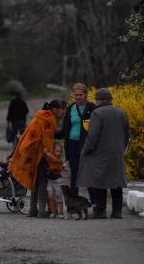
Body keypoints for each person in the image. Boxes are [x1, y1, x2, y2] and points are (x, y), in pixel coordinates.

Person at [77, 88, 130, 219]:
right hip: (117, 153)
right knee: (116, 182)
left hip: (100, 153)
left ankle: (101, 211)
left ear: (99, 100)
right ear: (110, 100)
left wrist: (86, 150)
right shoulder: (122, 113)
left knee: (99, 181)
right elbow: (127, 135)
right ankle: (117, 211)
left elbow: (93, 136)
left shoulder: (97, 113)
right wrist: (121, 149)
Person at [9, 100, 67, 218]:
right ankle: (41, 211)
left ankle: (32, 210)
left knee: (35, 181)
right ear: (54, 110)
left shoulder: (41, 117)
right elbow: (46, 143)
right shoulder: (48, 121)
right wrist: (52, 159)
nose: (64, 112)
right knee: (42, 182)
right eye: (62, 109)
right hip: (39, 155)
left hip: (31, 153)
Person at [55, 82, 96, 206]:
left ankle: (94, 204)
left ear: (86, 95)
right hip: (72, 144)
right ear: (73, 95)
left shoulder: (92, 108)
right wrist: (50, 133)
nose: (78, 97)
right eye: (76, 95)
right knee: (75, 173)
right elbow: (64, 131)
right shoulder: (70, 109)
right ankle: (74, 202)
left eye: (81, 95)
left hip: (86, 145)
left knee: (88, 173)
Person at [44, 142, 65, 219]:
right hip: (50, 180)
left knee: (58, 197)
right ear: (53, 151)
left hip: (58, 181)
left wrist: (47, 153)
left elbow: (53, 159)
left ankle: (60, 212)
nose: (59, 153)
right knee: (50, 197)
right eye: (57, 151)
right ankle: (53, 212)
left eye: (60, 152)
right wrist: (46, 154)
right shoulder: (51, 158)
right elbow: (48, 159)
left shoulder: (59, 160)